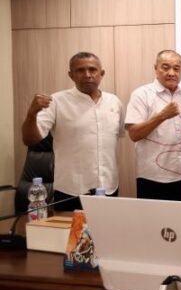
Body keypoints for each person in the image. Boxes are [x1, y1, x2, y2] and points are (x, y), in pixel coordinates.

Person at [21, 52, 125, 210]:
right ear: (71, 75)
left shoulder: (115, 102)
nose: (87, 75)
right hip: (71, 190)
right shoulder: (56, 102)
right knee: (70, 228)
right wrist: (31, 114)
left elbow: (119, 136)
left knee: (107, 227)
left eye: (92, 69)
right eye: (80, 70)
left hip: (108, 187)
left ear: (101, 73)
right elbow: (29, 139)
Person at [125, 50, 181, 201]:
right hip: (152, 176)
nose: (171, 73)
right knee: (150, 217)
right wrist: (162, 116)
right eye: (165, 67)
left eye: (176, 68)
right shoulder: (141, 94)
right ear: (155, 68)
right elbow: (134, 134)